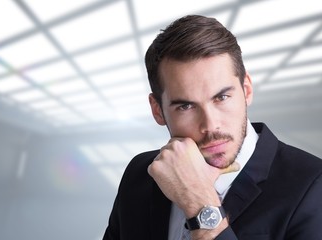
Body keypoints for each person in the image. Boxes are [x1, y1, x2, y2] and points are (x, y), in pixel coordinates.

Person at [102, 15, 322, 240]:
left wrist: (200, 206)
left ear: (246, 90)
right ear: (157, 110)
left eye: (222, 97)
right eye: (186, 106)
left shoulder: (313, 186)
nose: (210, 125)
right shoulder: (140, 173)